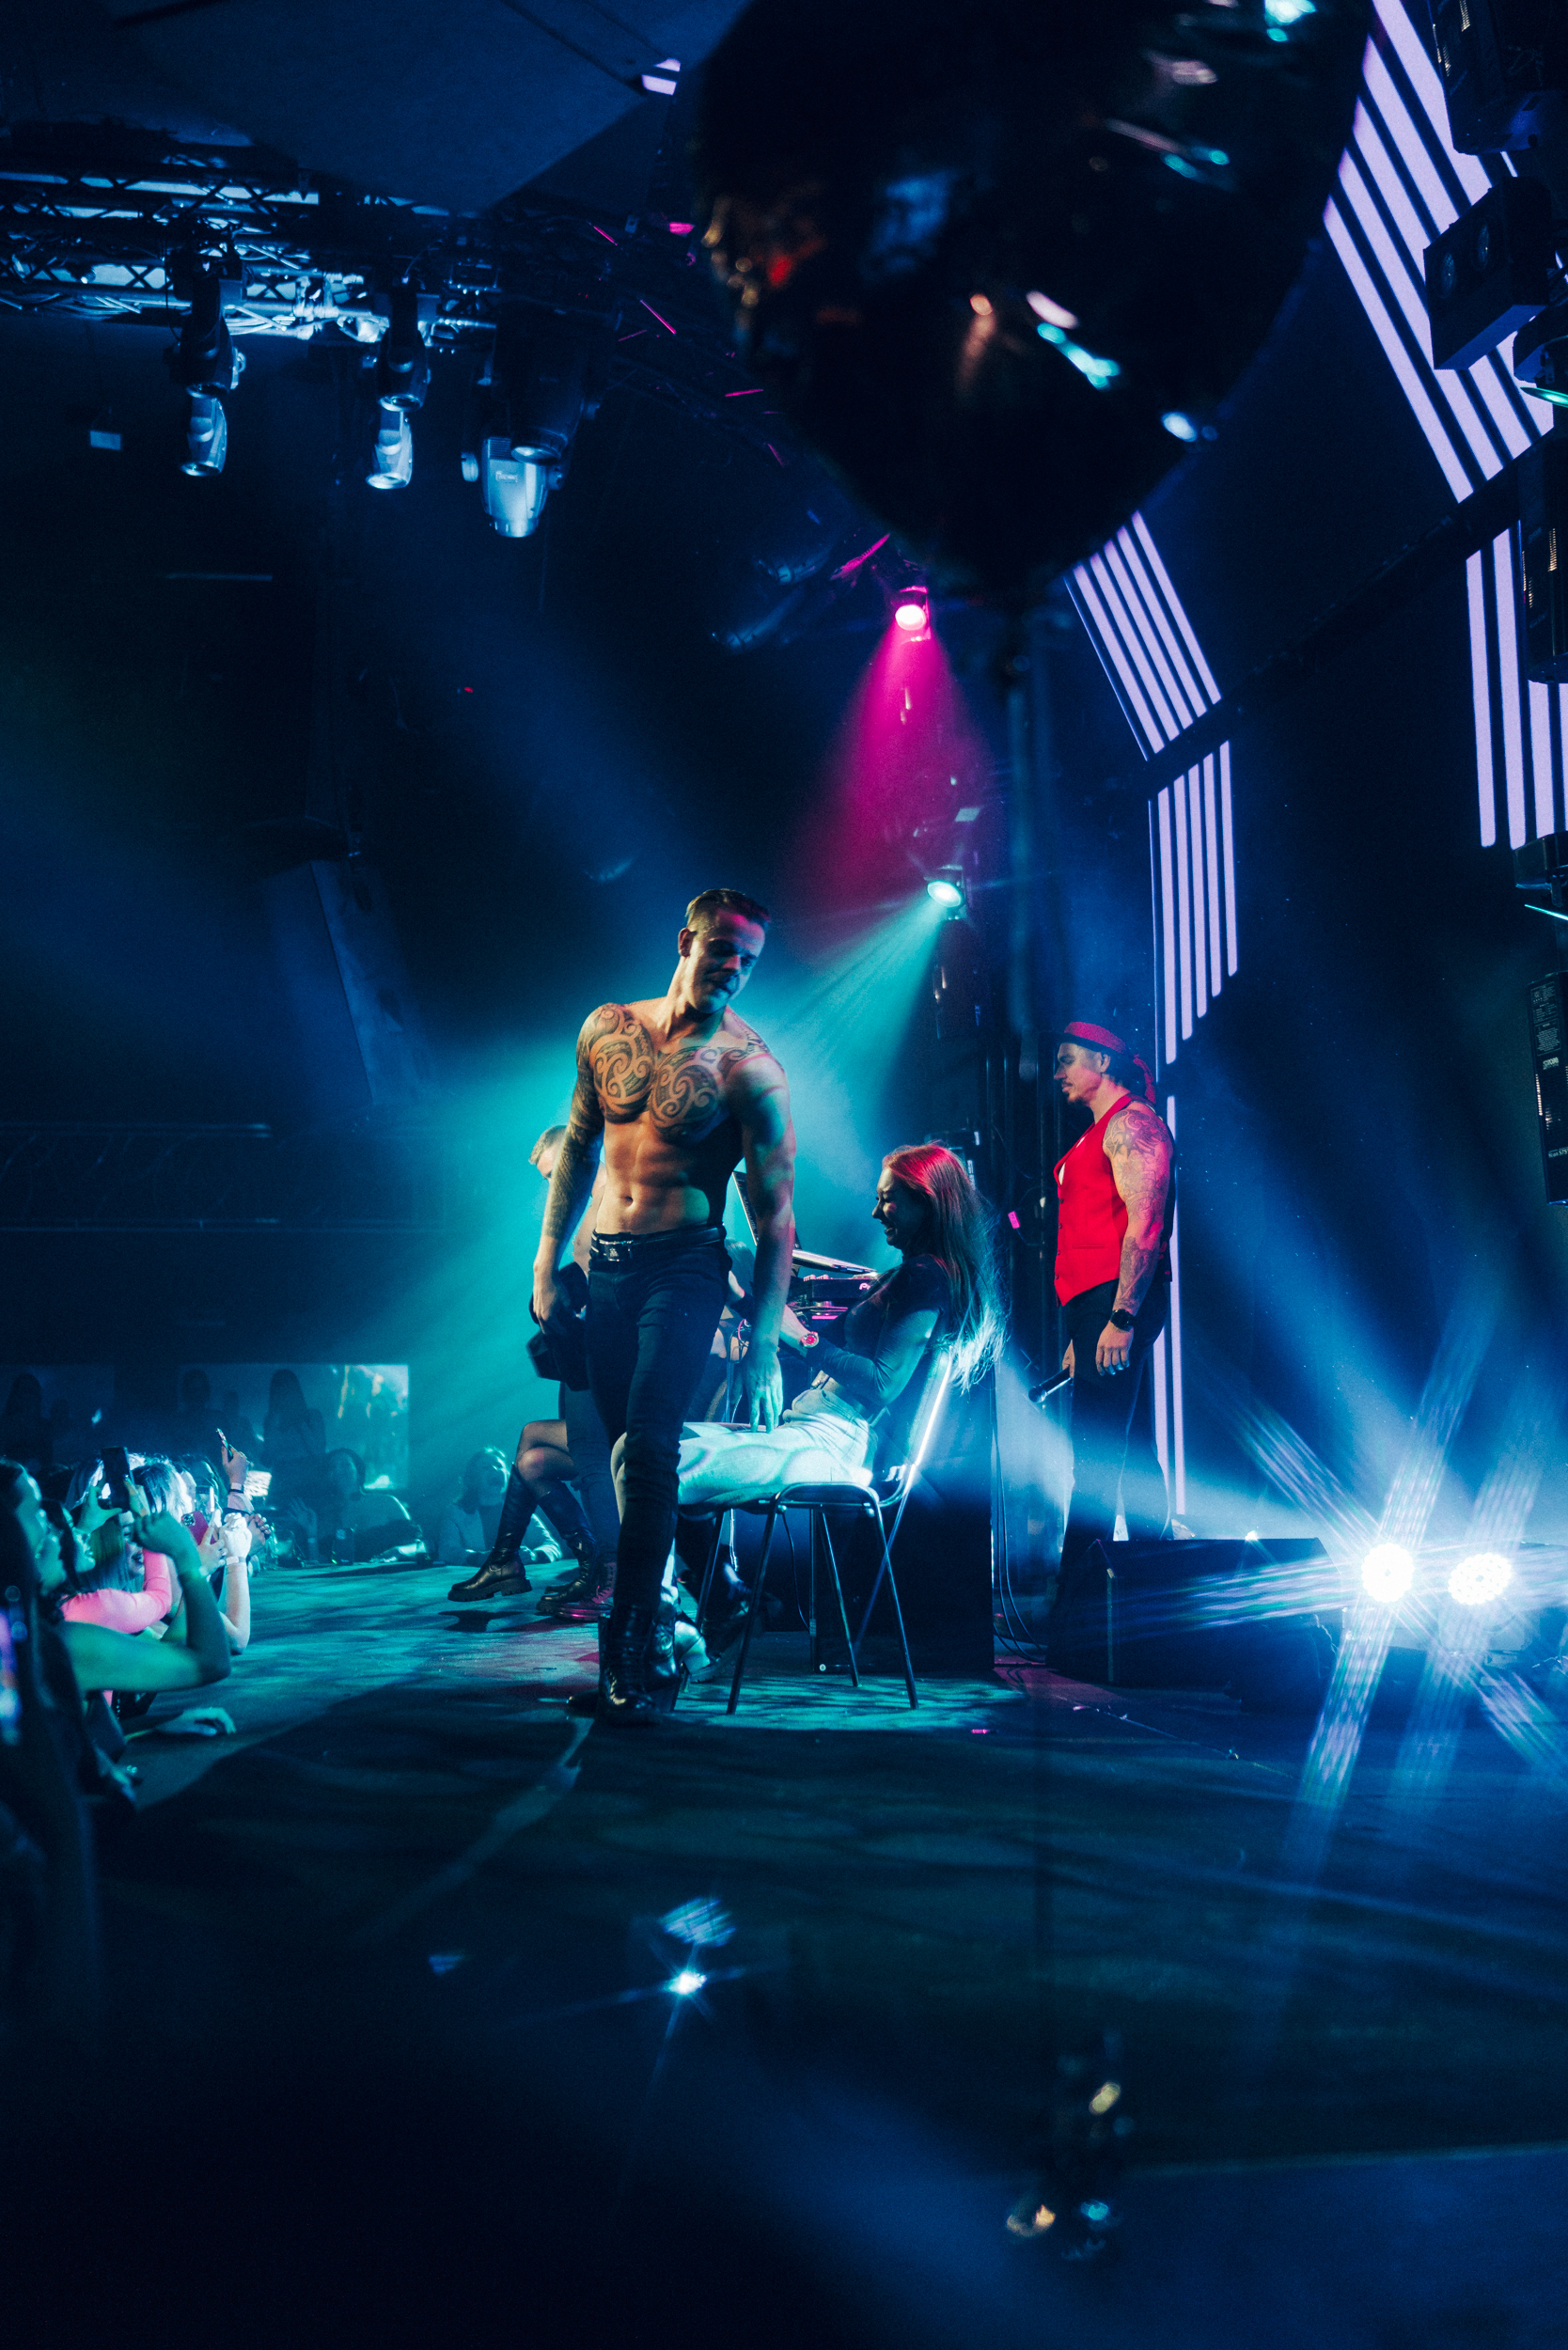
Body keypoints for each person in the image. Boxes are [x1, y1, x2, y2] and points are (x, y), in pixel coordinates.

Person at [533, 887, 796, 1724]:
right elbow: (578, 1148)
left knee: (649, 1452)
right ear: (686, 940)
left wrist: (763, 1345)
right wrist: (546, 1262)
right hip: (607, 1269)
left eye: (749, 960)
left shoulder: (750, 1070)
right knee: (625, 1460)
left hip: (685, 1270)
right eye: (722, 949)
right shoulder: (607, 1029)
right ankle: (696, 1606)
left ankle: (628, 1655)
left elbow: (777, 1217)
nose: (734, 969)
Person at [640, 1142, 1006, 1648]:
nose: (876, 1212)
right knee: (641, 1449)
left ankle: (667, 1626)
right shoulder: (912, 1274)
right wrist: (740, 1298)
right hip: (809, 1430)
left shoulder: (926, 1277)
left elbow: (881, 1383)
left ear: (928, 1202)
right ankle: (719, 1598)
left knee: (654, 1470)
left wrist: (804, 1339)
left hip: (833, 1445)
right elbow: (805, 1336)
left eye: (888, 1200)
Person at [448, 1126, 620, 1614]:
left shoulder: (612, 1197)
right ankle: (519, 1561)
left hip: (606, 1361)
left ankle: (606, 1573)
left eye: (553, 1175)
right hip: (587, 1355)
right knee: (531, 1459)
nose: (553, 1188)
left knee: (588, 1457)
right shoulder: (589, 1207)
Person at [1050, 1021, 1175, 1589]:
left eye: (1067, 1060)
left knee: (1096, 1458)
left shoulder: (1132, 1123)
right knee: (1133, 1449)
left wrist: (1121, 1317)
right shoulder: (1100, 1130)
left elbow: (1145, 1226)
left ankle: (1074, 1603)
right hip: (1095, 1306)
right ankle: (1159, 1588)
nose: (1058, 1073)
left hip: (1114, 1301)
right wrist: (1084, 1335)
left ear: (1101, 1062)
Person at [320, 1449, 411, 1563]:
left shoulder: (387, 1502)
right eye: (333, 1467)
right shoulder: (327, 1516)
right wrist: (311, 1533)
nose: (338, 1470)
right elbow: (319, 1562)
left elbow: (421, 1546)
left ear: (358, 1471)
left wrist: (400, 1551)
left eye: (345, 1464)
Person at [261, 1370, 325, 1514]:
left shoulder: (312, 1416)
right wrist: (274, 1426)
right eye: (279, 1390)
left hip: (308, 1481)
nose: (284, 1395)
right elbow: (267, 1459)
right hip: (281, 1482)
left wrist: (300, 1422)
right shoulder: (271, 1420)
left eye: (287, 1390)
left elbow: (319, 1452)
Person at [436, 1449, 510, 1564]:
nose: (495, 1469)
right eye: (485, 1467)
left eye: (499, 1466)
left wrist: (534, 1554)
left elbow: (542, 1543)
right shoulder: (456, 1513)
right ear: (472, 1478)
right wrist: (479, 1557)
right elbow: (447, 1551)